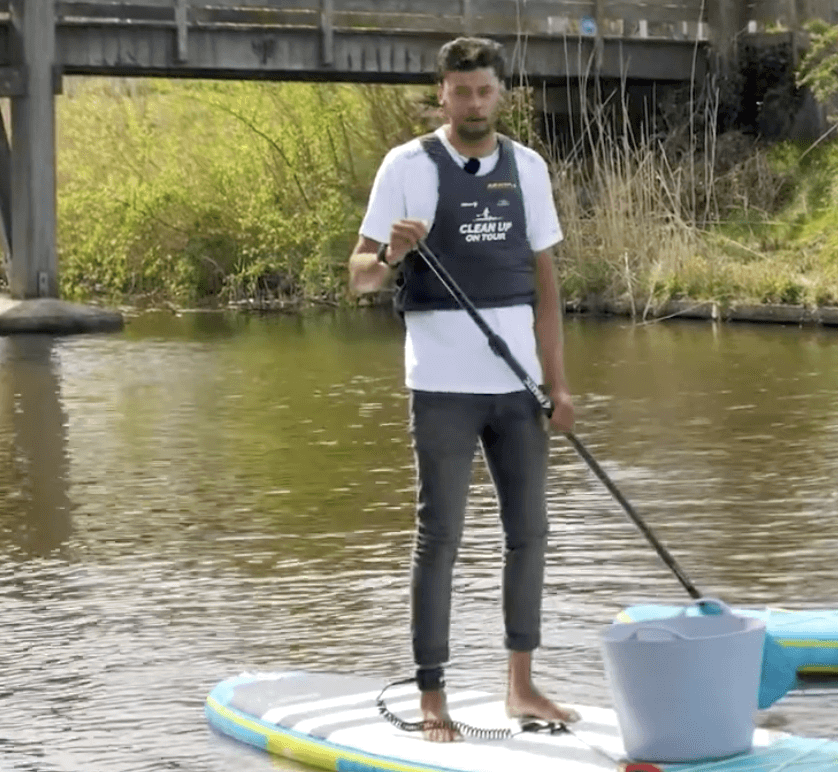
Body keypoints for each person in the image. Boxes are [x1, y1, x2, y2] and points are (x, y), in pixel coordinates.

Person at [347, 35, 578, 742]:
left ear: (500, 94)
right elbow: (360, 276)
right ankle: (432, 697)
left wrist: (560, 387)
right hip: (442, 387)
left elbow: (546, 291)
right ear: (441, 93)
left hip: (518, 391)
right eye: (460, 91)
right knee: (439, 537)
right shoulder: (406, 166)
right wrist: (392, 251)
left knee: (529, 536)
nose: (472, 103)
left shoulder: (529, 168)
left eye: (484, 91)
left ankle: (521, 687)